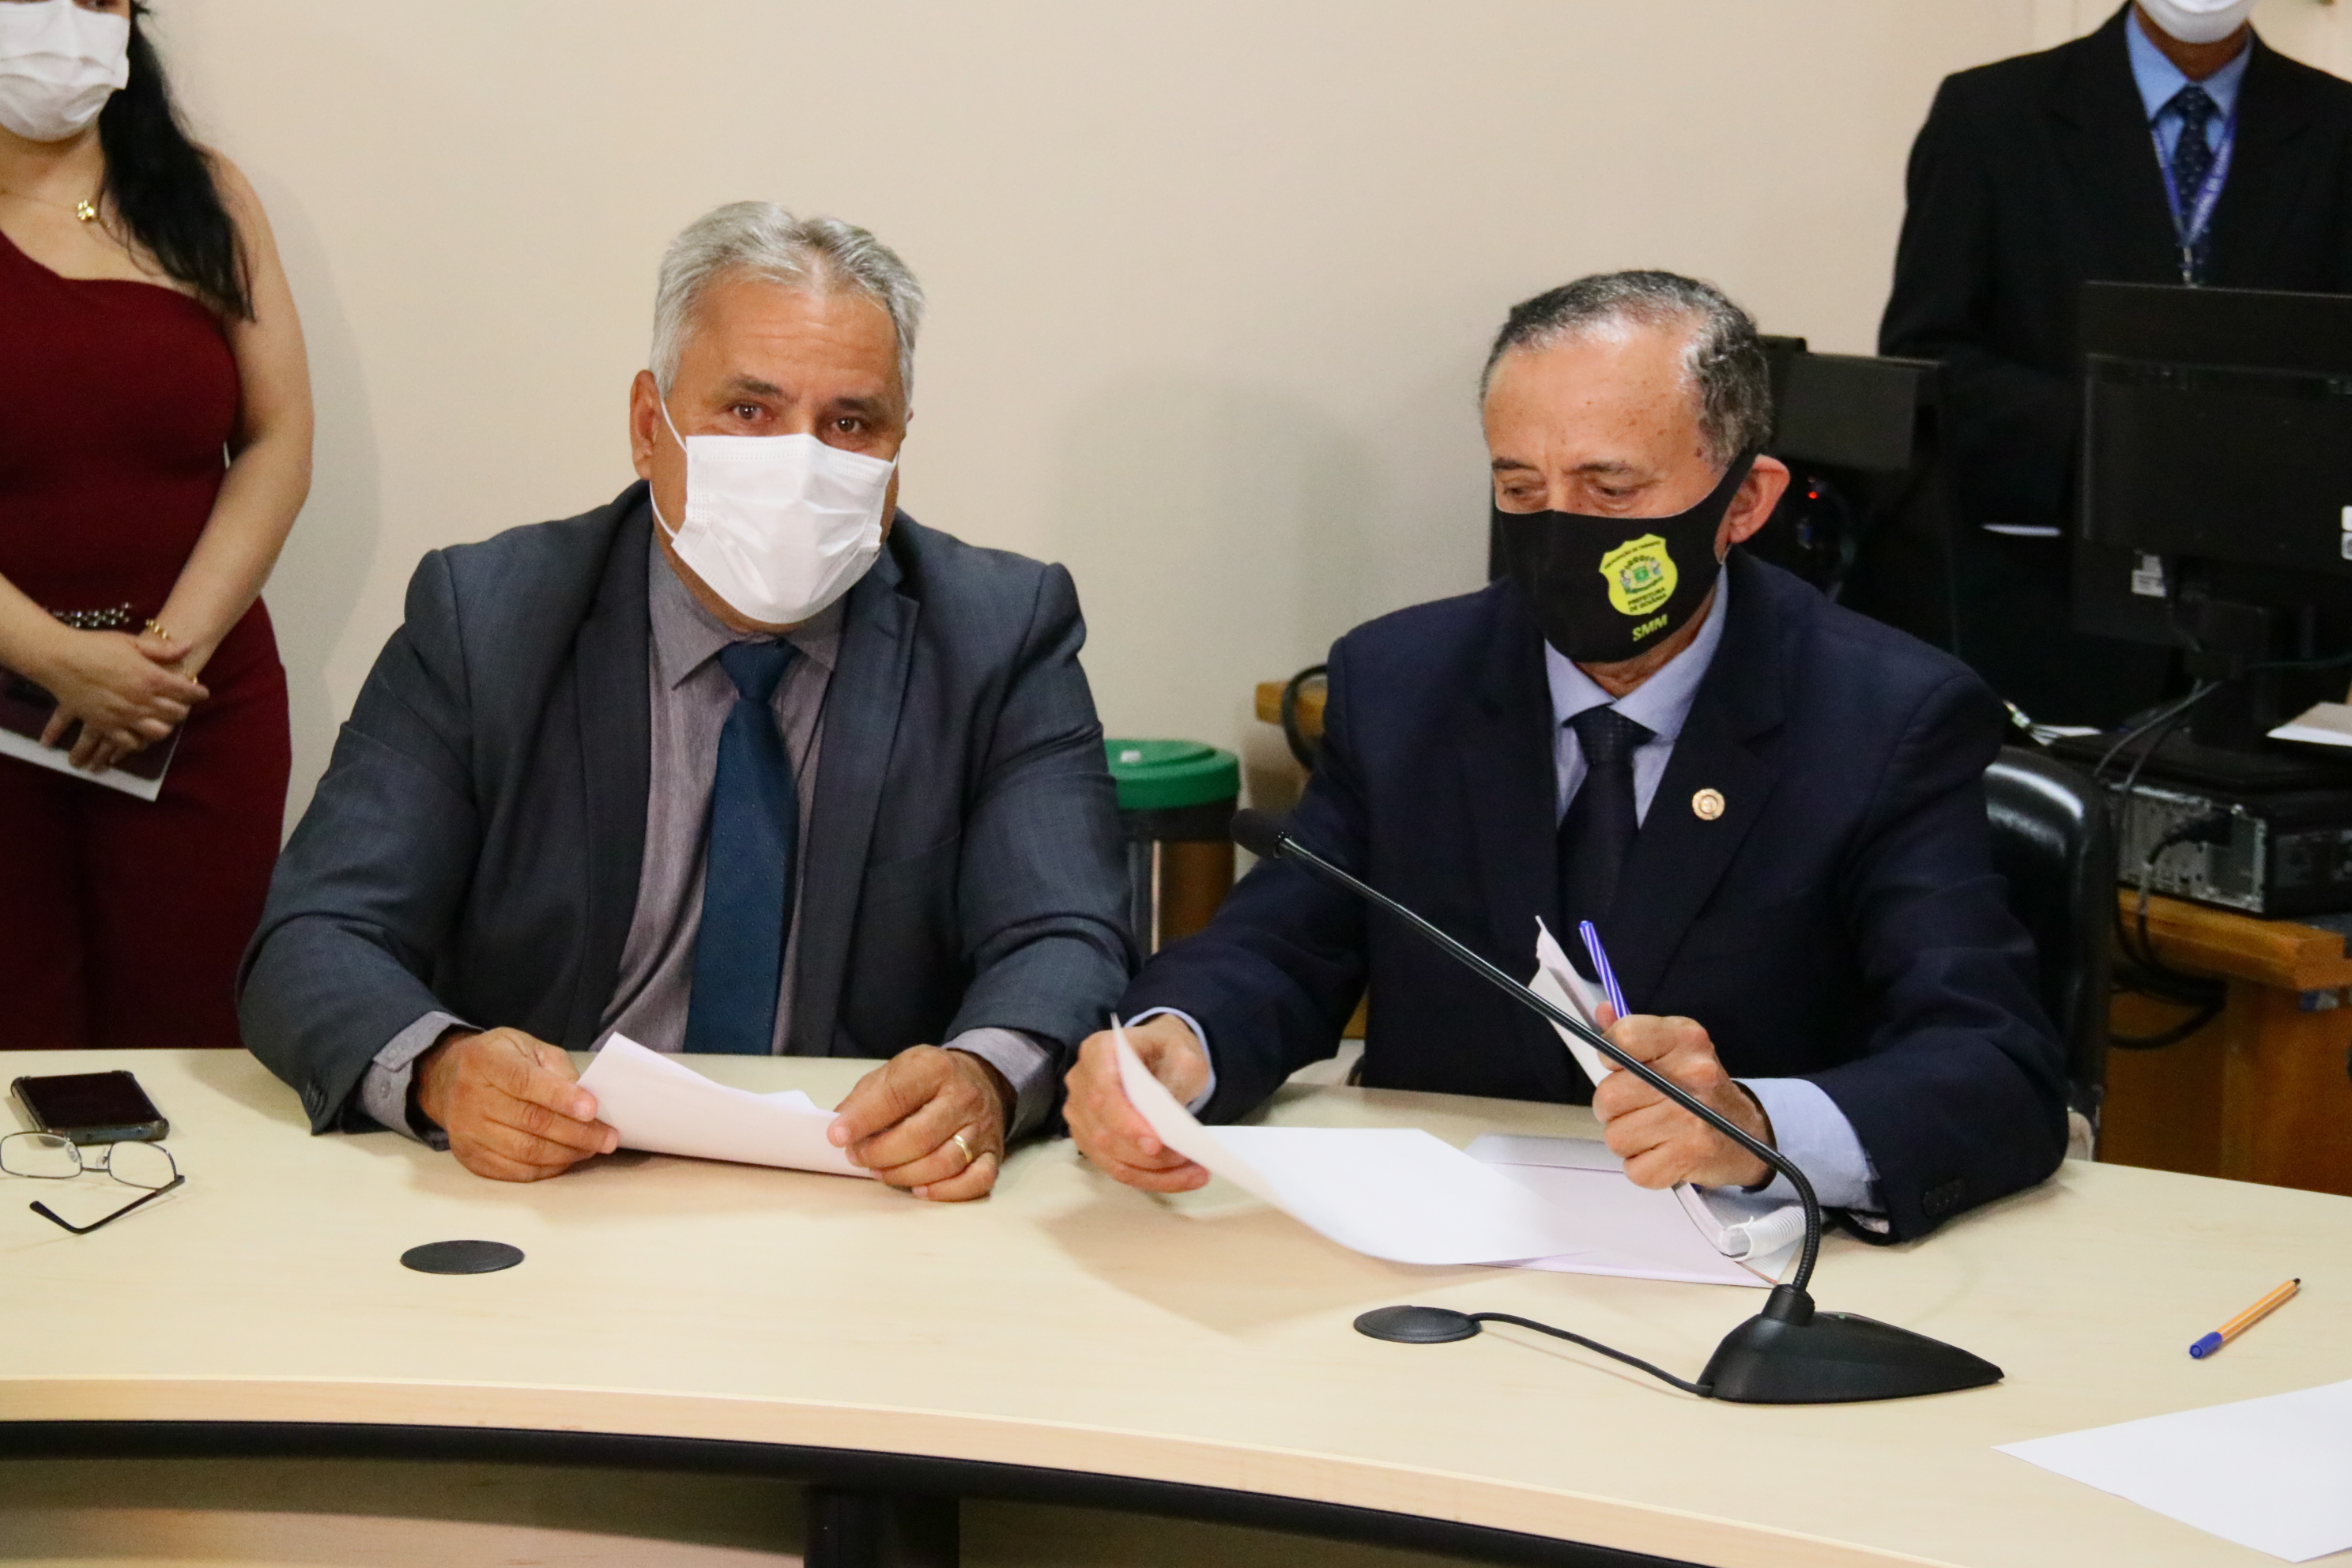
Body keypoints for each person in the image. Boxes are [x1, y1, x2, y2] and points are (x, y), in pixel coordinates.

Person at [1065, 272, 2070, 1243]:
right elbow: (1285, 946)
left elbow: (1996, 1066)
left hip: (1752, 1268)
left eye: (1610, 487)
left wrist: (1757, 1126)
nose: (1559, 532)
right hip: (1441, 1254)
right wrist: (1178, 1043)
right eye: (1521, 486)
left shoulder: (1885, 716)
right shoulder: (1405, 681)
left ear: (1744, 502)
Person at [239, 202, 1131, 1197]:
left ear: (897, 447)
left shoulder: (999, 633)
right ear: (646, 426)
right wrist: (445, 1074)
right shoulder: (487, 618)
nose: (801, 462)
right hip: (555, 1181)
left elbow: (1067, 938)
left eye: (850, 423)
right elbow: (317, 935)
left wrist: (983, 1078)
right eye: (749, 411)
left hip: (860, 1186)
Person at [1880, 1, 2352, 726]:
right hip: (2048, 611)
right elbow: (1926, 357)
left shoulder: (2336, 126)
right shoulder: (1993, 113)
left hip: (2275, 636)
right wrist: (2116, 439)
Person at [0, 0, 311, 1050]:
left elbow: (276, 438)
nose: (63, 20)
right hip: (6, 697)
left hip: (195, 704)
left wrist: (160, 663)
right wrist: (55, 658)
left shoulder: (205, 197)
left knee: (201, 1044)